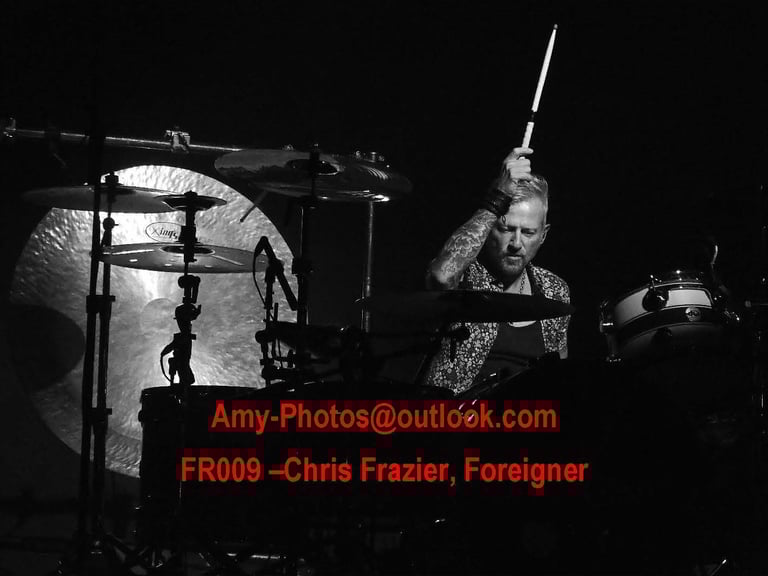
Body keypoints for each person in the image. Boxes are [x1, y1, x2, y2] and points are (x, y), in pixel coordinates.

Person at [423, 147, 570, 394]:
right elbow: (441, 276)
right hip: (459, 415)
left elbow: (560, 374)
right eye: (506, 229)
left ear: (543, 236)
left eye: (528, 232)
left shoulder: (555, 290)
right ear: (490, 227)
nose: (516, 243)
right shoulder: (466, 275)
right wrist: (497, 200)